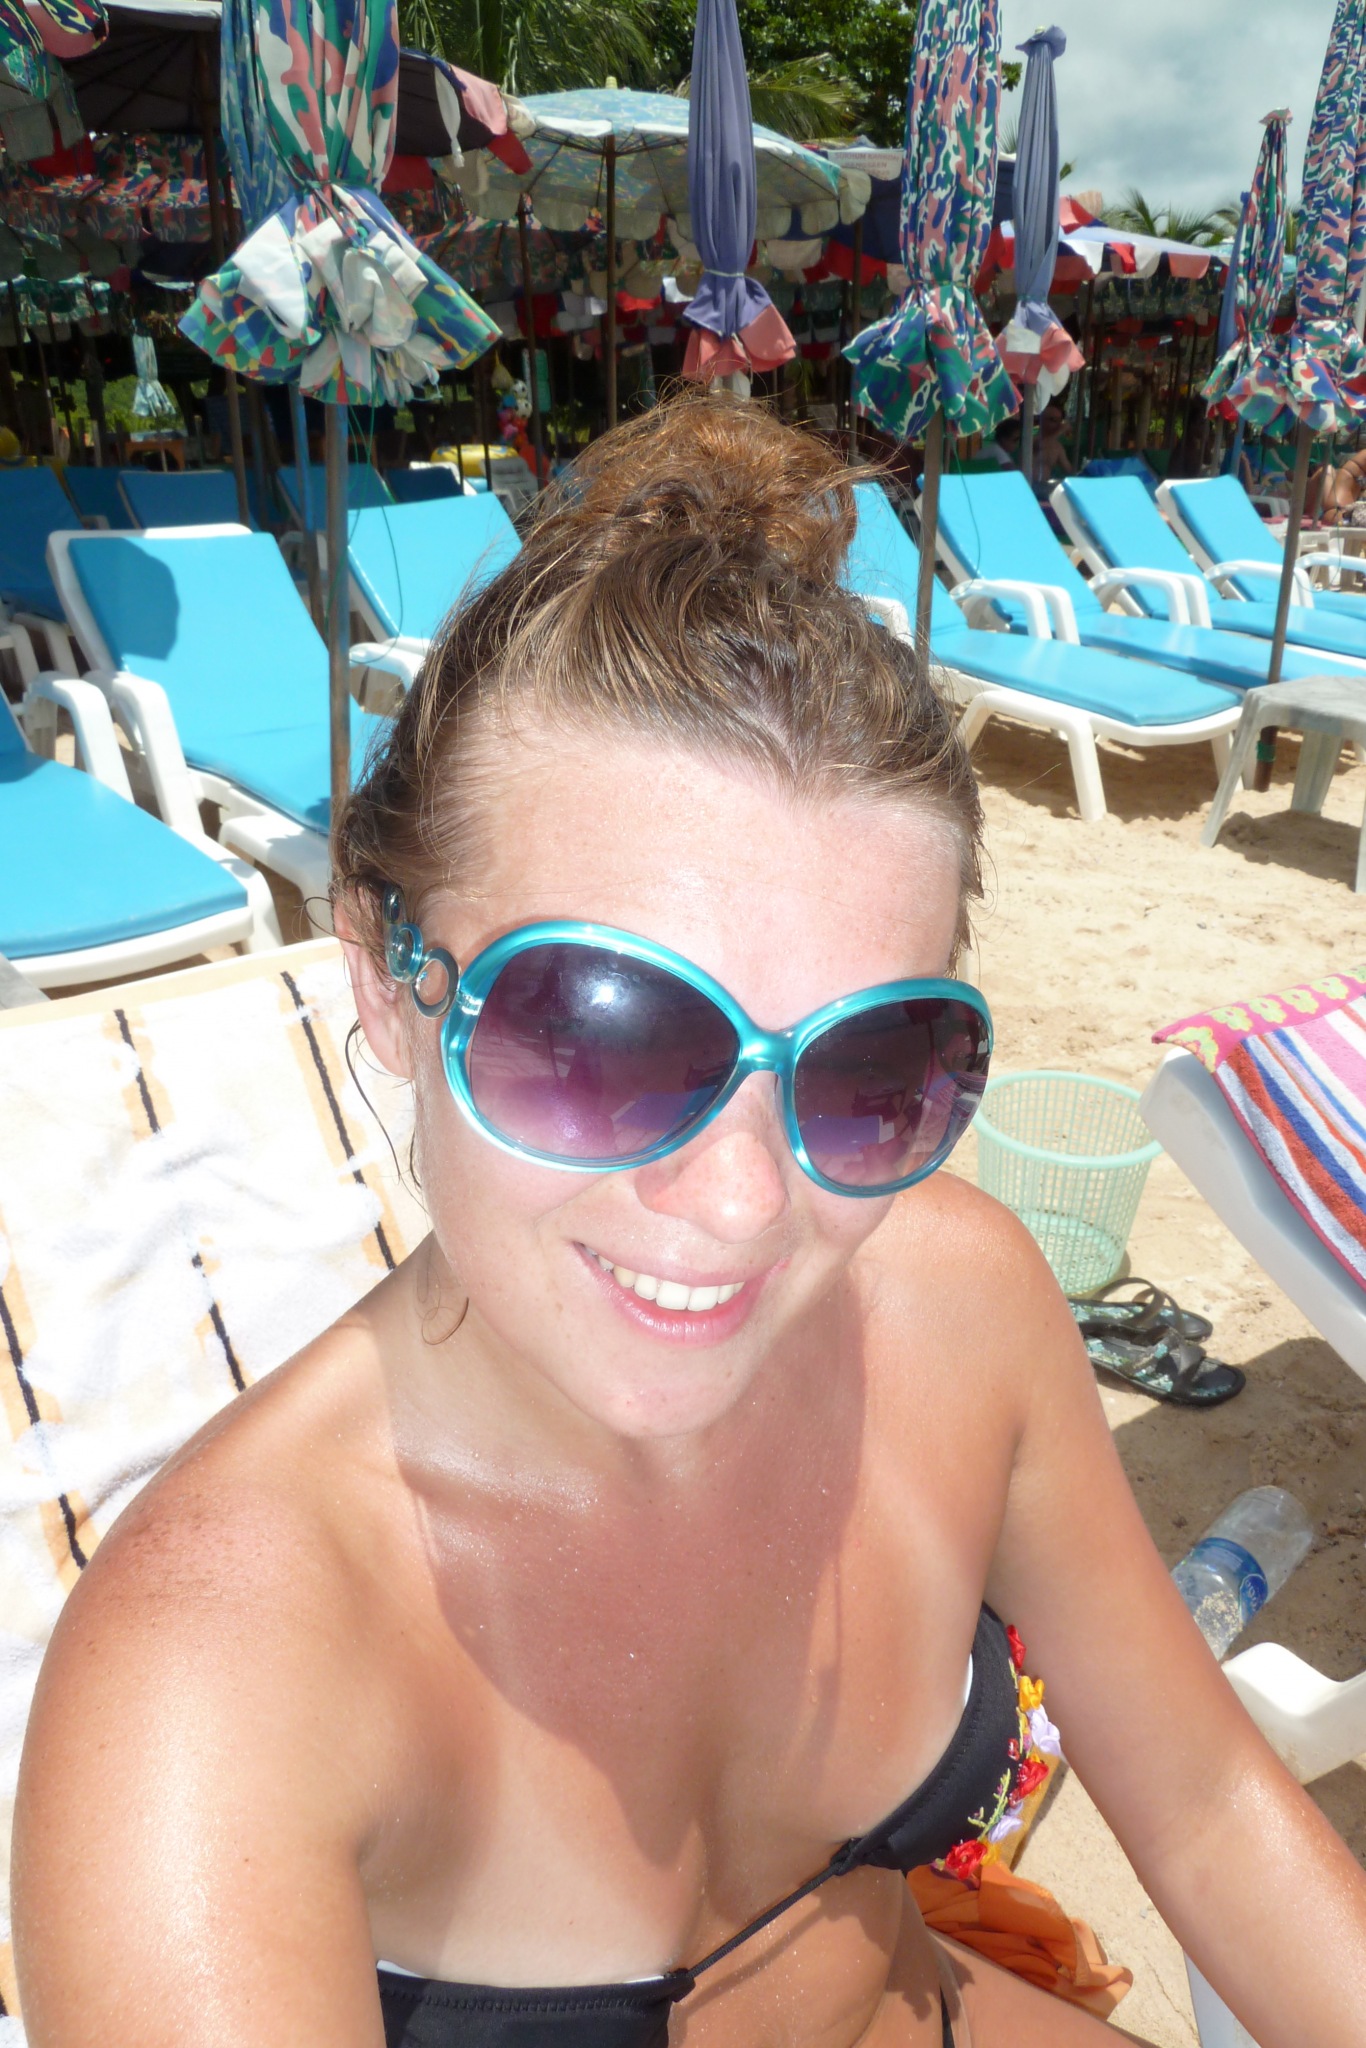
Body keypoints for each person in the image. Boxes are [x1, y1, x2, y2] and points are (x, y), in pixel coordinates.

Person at [13, 398, 1366, 2048]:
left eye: (871, 1066)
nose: (741, 1205)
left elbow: (1208, 1812)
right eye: (600, 1032)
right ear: (382, 977)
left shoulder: (955, 1303)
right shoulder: (214, 1684)